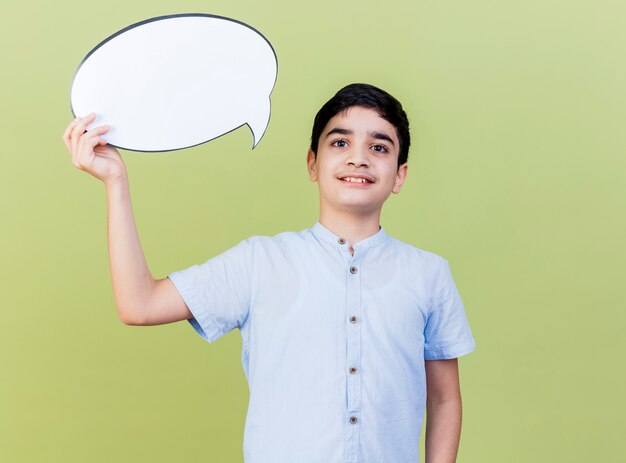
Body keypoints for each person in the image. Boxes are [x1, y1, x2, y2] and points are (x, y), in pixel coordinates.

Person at [63, 83, 475, 463]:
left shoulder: (429, 274)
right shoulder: (259, 262)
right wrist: (116, 183)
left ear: (400, 175)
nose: (358, 157)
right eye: (340, 142)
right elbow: (139, 304)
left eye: (379, 147)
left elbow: (443, 399)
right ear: (313, 163)